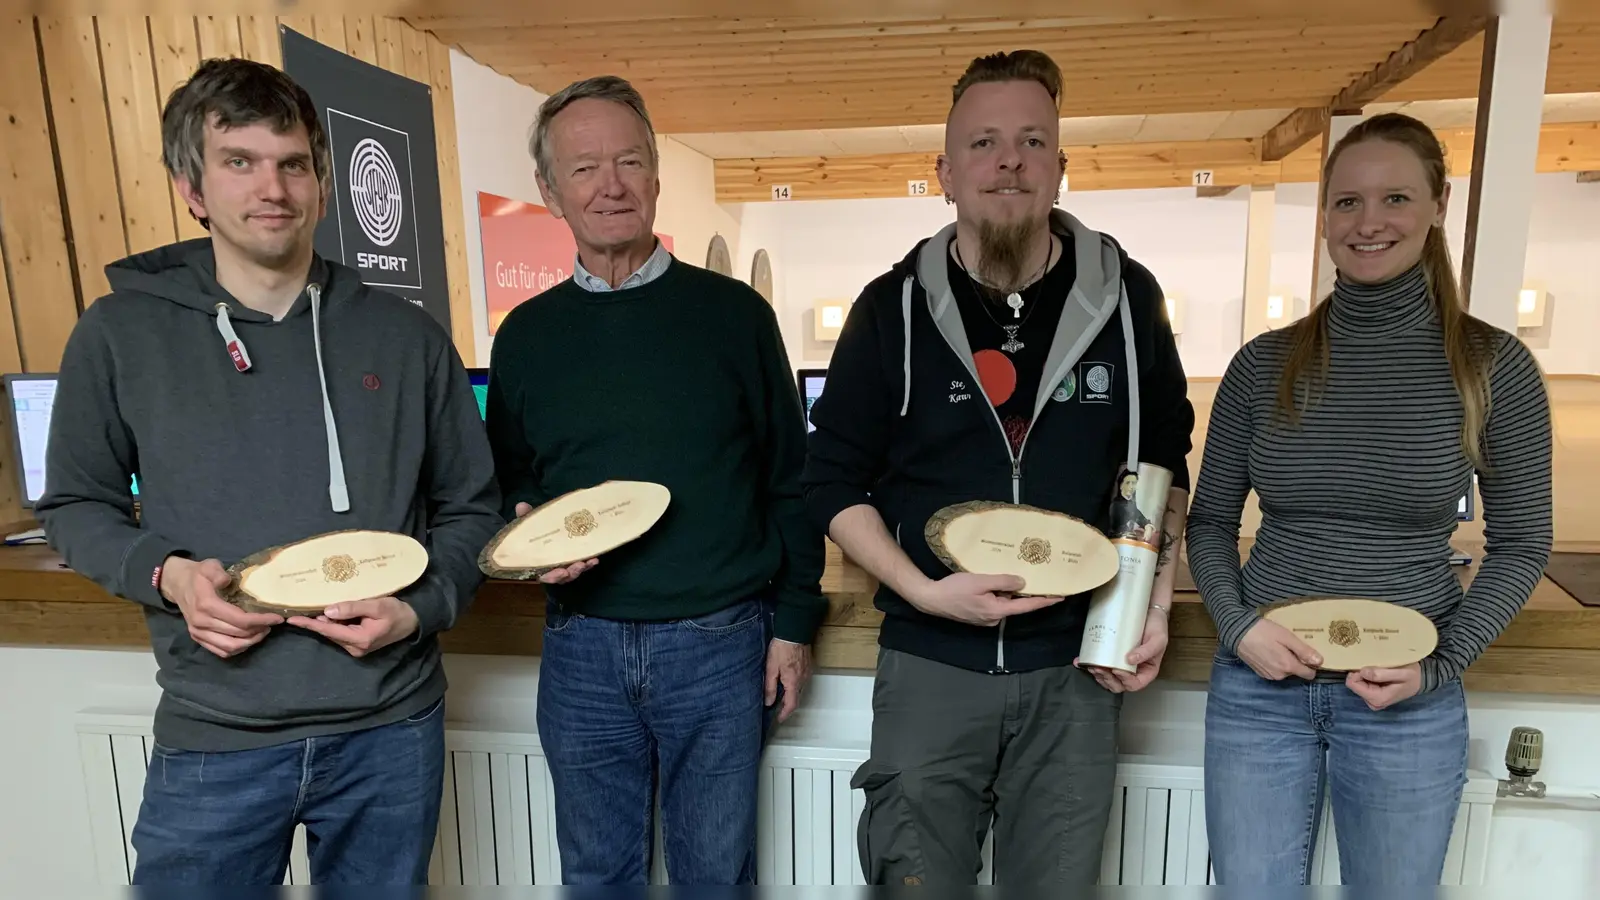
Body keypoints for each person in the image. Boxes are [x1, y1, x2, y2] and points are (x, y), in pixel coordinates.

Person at [34, 58, 502, 884]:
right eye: (239, 162)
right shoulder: (118, 334)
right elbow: (76, 502)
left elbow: (471, 507)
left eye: (292, 163)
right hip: (216, 732)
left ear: (322, 181)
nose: (272, 188)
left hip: (389, 729)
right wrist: (169, 575)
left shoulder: (409, 337)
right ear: (192, 186)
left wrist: (421, 608)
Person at [800, 49, 1195, 885]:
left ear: (1060, 166)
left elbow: (1162, 464)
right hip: (929, 667)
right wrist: (921, 591)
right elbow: (830, 478)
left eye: (1030, 141)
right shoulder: (891, 307)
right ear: (943, 170)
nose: (1007, 160)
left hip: (1077, 669)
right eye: (982, 143)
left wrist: (1151, 604)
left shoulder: (1129, 300)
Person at [1187, 112, 1553, 885]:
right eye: (1346, 202)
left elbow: (1522, 542)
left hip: (1408, 699)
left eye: (1395, 198)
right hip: (1260, 691)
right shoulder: (1263, 365)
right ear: (1324, 216)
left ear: (1437, 205)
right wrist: (1240, 625)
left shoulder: (1494, 367)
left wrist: (1444, 664)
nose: (1369, 222)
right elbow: (1212, 521)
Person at [483, 74, 826, 885]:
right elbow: (507, 480)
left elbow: (792, 476)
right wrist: (527, 532)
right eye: (585, 167)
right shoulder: (526, 336)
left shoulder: (734, 316)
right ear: (548, 190)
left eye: (631, 161)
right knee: (595, 877)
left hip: (720, 643)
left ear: (657, 177)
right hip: (580, 646)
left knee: (715, 877)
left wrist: (795, 622)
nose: (612, 185)